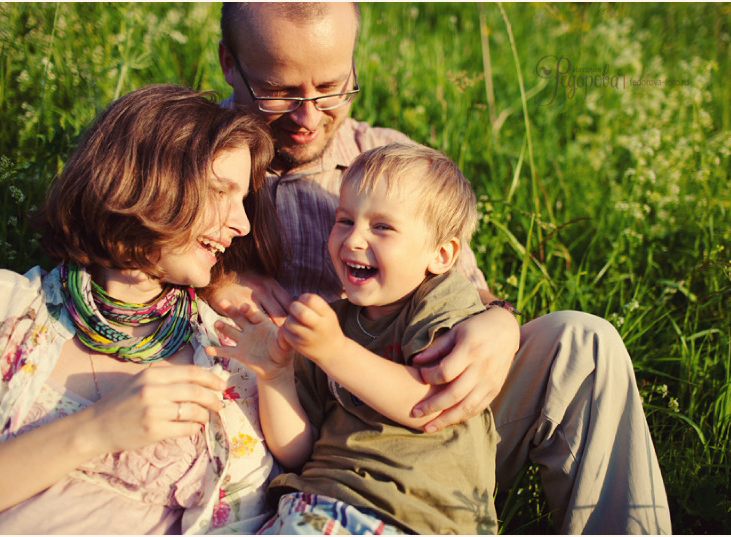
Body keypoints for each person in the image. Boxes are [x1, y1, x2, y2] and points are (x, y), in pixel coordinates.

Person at [214, 2, 671, 533]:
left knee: (583, 344)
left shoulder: (388, 156)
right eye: (281, 91)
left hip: (430, 423)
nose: (309, 115)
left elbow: (464, 291)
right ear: (230, 62)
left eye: (333, 86)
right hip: (312, 436)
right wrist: (215, 274)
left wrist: (497, 322)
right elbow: (111, 247)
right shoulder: (190, 154)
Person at [0, 85, 283, 533]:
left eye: (242, 200)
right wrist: (97, 429)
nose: (242, 223)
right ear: (147, 184)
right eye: (218, 192)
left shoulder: (229, 355)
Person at [210, 143, 498, 534]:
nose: (353, 240)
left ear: (442, 255)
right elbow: (296, 450)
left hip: (413, 515)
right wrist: (274, 374)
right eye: (345, 221)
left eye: (381, 227)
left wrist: (335, 351)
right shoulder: (331, 324)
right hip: (315, 502)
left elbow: (429, 404)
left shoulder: (442, 300)